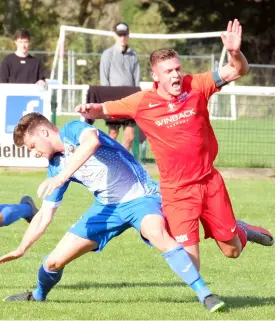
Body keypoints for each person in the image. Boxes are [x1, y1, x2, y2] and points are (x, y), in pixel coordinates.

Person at [75, 19, 274, 273]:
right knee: (190, 267)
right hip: (177, 193)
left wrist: (235, 53)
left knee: (232, 251)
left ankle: (241, 229)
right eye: (168, 71)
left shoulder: (197, 85)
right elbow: (106, 108)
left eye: (177, 69)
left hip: (209, 183)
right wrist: (92, 109)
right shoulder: (141, 102)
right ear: (155, 76)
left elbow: (238, 70)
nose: (176, 75)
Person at [1, 113, 224, 312]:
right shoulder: (56, 165)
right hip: (106, 208)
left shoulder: (72, 130)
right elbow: (44, 215)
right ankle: (37, 296)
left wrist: (61, 177)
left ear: (43, 132)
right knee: (52, 263)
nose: (35, 153)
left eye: (32, 146)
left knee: (156, 232)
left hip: (140, 197)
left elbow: (92, 142)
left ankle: (205, 294)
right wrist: (22, 248)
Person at [99, 22, 140, 151]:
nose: (122, 38)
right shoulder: (107, 54)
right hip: (114, 101)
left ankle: (122, 162)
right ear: (115, 36)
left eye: (125, 35)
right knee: (113, 134)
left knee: (130, 135)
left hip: (130, 101)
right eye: (120, 35)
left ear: (128, 35)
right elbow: (104, 79)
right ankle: (111, 161)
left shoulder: (133, 55)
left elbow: (136, 79)